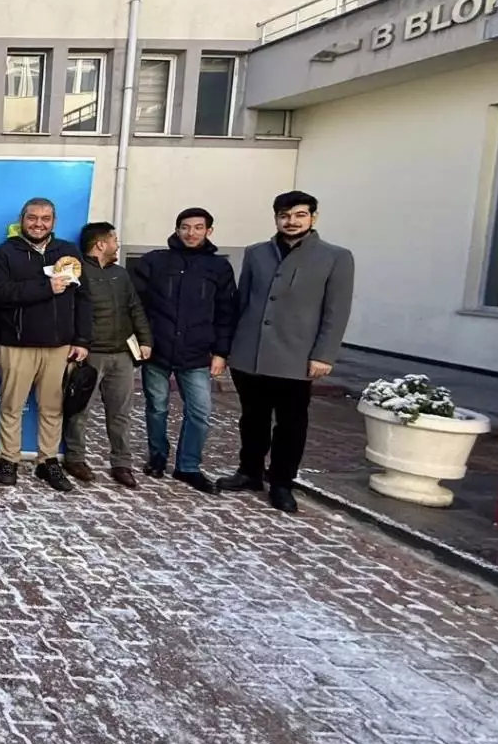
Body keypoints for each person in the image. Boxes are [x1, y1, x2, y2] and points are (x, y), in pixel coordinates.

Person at [219, 191, 354, 513]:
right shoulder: (256, 253)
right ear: (276, 218)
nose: (291, 221)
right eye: (284, 215)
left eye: (299, 215)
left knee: (291, 424)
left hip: (296, 356)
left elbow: (336, 311)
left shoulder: (335, 257)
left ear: (313, 217)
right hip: (249, 353)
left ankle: (282, 482)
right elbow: (242, 301)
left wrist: (324, 354)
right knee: (252, 419)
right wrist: (228, 347)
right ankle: (250, 472)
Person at [128, 207, 238, 493]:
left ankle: (188, 466)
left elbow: (226, 312)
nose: (191, 233)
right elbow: (136, 304)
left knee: (200, 411)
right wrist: (141, 340)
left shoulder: (219, 268)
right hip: (158, 350)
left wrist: (221, 352)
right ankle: (157, 456)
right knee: (157, 407)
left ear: (209, 231)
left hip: (197, 353)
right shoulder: (155, 261)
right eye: (185, 227)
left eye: (198, 227)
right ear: (177, 229)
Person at [0, 197, 91, 492]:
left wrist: (82, 339)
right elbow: (0, 292)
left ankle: (48, 461)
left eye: (45, 218)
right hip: (17, 344)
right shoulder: (4, 253)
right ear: (22, 219)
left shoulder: (68, 252)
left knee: (52, 407)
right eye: (32, 217)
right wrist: (45, 287)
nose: (38, 224)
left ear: (54, 222)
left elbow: (84, 299)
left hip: (58, 346)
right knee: (11, 405)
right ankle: (9, 459)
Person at [62, 222, 152, 488]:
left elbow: (135, 308)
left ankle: (122, 463)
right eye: (113, 240)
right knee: (79, 410)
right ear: (100, 244)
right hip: (90, 354)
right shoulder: (78, 271)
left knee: (121, 412)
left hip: (122, 354)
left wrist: (145, 340)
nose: (117, 244)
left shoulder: (121, 274)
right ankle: (75, 458)